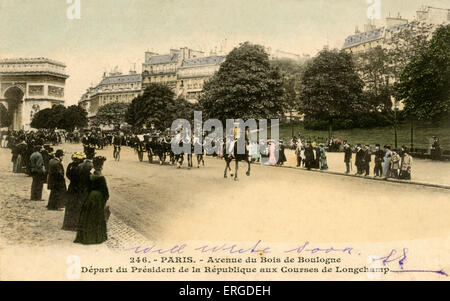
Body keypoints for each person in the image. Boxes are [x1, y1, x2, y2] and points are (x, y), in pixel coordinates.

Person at [74, 156, 109, 245]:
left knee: (88, 216)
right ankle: (96, 237)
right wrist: (104, 200)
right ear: (101, 167)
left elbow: (88, 188)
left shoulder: (91, 176)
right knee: (97, 216)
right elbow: (105, 192)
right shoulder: (101, 178)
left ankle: (86, 236)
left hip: (91, 197)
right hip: (98, 197)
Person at [62, 153, 86, 231]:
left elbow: (67, 175)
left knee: (70, 206)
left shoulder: (70, 165)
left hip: (72, 188)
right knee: (78, 206)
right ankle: (76, 225)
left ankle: (68, 224)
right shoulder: (81, 167)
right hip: (79, 189)